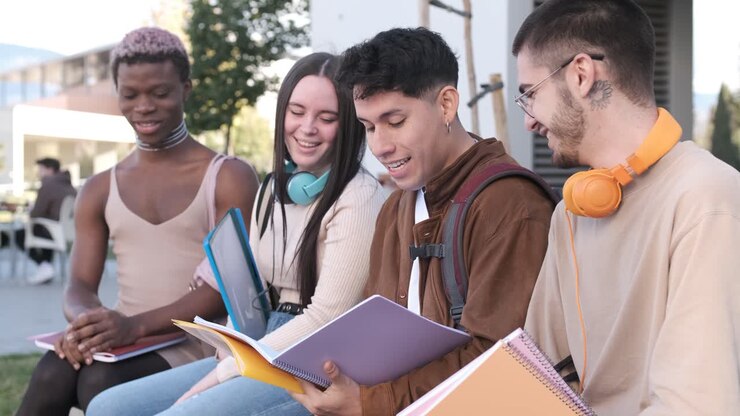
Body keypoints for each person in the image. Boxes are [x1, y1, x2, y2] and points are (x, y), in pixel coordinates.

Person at [86, 51, 388, 416]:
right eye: (296, 112)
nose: (307, 128)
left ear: (349, 126)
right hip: (262, 344)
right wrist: (230, 342)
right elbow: (253, 288)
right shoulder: (275, 185)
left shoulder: (359, 197)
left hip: (314, 359)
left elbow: (323, 319)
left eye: (326, 118)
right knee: (107, 407)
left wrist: (225, 371)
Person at [288, 27, 555, 415]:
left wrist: (370, 404)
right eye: (368, 127)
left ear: (446, 105)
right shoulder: (397, 205)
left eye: (395, 121)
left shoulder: (510, 205)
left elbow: (498, 359)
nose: (380, 146)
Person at [510, 1, 740, 414]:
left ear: (581, 74)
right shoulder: (572, 214)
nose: (528, 120)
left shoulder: (708, 198)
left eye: (529, 94)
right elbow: (537, 371)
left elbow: (696, 405)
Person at [15, 27, 259, 415]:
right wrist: (86, 326)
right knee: (52, 370)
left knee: (100, 381)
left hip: (197, 341)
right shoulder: (99, 188)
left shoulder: (228, 176)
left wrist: (134, 327)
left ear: (186, 89)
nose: (144, 106)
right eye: (130, 95)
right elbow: (78, 284)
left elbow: (229, 286)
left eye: (160, 93)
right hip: (126, 338)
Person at [3, 157, 77, 284]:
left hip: (51, 229)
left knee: (20, 234)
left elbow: (37, 212)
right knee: (40, 232)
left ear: (50, 169)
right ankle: (46, 268)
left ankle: (44, 266)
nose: (39, 173)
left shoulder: (48, 184)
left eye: (41, 169)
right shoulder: (69, 185)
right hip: (67, 231)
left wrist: (30, 211)